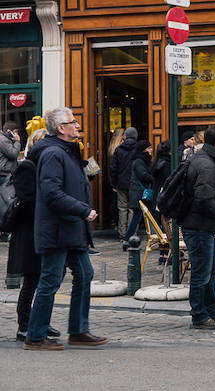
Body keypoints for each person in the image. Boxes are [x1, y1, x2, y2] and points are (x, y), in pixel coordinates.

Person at [24, 107, 107, 350]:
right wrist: (82, 210)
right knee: (50, 280)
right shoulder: (52, 154)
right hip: (57, 229)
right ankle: (35, 336)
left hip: (70, 228)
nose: (77, 125)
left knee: (85, 274)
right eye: (73, 122)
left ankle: (78, 331)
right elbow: (52, 194)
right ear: (61, 128)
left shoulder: (66, 151)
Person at [7, 129, 61, 343]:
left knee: (42, 280)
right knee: (31, 280)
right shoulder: (28, 167)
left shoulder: (43, 167)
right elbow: (25, 200)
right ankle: (24, 326)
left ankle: (40, 322)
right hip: (28, 232)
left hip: (40, 229)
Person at [182, 125, 215, 330]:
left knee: (211, 270)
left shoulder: (208, 160)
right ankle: (199, 315)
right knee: (202, 272)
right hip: (198, 226)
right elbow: (203, 198)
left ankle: (212, 311)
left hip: (202, 226)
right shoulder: (206, 165)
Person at [122, 140, 153, 248]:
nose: (151, 150)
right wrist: (154, 178)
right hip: (139, 193)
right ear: (144, 149)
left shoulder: (140, 160)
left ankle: (127, 240)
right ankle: (126, 240)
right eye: (149, 148)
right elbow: (143, 175)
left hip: (139, 192)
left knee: (140, 217)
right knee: (137, 217)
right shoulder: (139, 161)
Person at [110, 126, 138, 240]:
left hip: (121, 183)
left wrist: (114, 183)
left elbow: (113, 168)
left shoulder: (118, 149)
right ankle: (132, 234)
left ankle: (122, 233)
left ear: (125, 136)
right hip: (134, 183)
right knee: (132, 209)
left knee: (122, 208)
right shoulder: (137, 149)